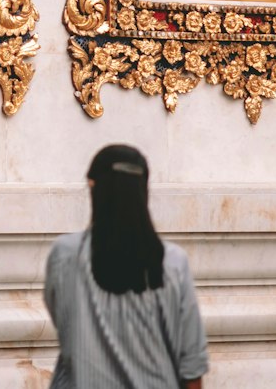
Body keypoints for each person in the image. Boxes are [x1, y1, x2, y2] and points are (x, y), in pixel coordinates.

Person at [44, 144, 209, 388]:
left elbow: (62, 320)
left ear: (93, 188)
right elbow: (192, 367)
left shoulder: (64, 255)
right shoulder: (173, 263)